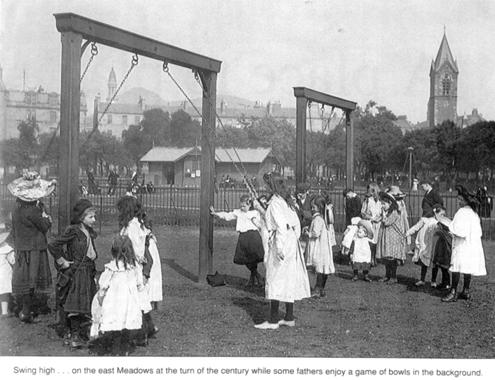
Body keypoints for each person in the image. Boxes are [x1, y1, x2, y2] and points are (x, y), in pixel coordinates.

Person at [254, 173, 310, 330]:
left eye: (266, 184)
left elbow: (279, 226)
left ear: (271, 186)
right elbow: (295, 224)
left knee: (275, 278)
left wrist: (279, 248)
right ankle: (289, 317)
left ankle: (272, 321)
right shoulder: (287, 202)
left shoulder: (276, 203)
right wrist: (293, 240)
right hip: (291, 243)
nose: (265, 187)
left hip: (282, 243)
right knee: (287, 278)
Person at [48, 199, 98, 349]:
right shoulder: (73, 231)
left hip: (88, 271)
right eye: (91, 217)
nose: (94, 220)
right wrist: (61, 259)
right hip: (77, 273)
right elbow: (53, 244)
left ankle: (82, 331)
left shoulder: (89, 232)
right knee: (76, 304)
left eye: (94, 217)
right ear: (81, 217)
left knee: (87, 302)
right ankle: (74, 334)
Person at [8, 171, 55, 323]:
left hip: (22, 247)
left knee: (25, 279)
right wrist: (48, 219)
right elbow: (44, 226)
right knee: (32, 279)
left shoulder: (16, 209)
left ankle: (24, 308)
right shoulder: (34, 211)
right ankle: (26, 311)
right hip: (34, 249)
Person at [90, 236, 145, 356]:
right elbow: (140, 284)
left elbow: (103, 285)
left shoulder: (112, 268)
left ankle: (116, 349)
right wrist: (140, 297)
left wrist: (101, 296)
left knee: (116, 325)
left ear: (113, 250)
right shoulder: (135, 267)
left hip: (114, 302)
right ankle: (124, 349)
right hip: (129, 301)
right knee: (126, 323)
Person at [117, 195, 162, 343]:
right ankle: (148, 328)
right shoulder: (136, 224)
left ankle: (141, 333)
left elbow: (137, 249)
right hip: (135, 264)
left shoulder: (132, 226)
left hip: (134, 266)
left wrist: (142, 270)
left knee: (135, 299)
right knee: (138, 299)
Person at [437, 185, 487, 302]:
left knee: (457, 266)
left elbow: (459, 231)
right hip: (472, 245)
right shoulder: (473, 213)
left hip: (462, 245)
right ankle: (465, 290)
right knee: (467, 267)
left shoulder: (462, 212)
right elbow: (478, 231)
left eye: (460, 200)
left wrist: (447, 225)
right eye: (458, 199)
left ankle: (453, 292)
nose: (458, 202)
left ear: (466, 201)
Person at [210, 194, 265, 287]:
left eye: (244, 206)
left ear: (249, 205)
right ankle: (257, 276)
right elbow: (227, 215)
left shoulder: (255, 213)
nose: (242, 207)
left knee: (253, 259)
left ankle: (253, 279)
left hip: (254, 237)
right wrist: (216, 213)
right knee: (245, 259)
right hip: (243, 237)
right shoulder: (238, 212)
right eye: (241, 205)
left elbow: (262, 223)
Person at [304, 196, 335, 298]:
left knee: (320, 267)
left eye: (314, 207)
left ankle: (318, 288)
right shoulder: (323, 218)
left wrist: (308, 233)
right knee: (324, 267)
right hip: (324, 246)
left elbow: (316, 233)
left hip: (319, 246)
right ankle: (321, 288)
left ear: (319, 207)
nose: (312, 209)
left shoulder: (317, 219)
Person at [376, 191, 407, 284]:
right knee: (387, 258)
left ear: (390, 203)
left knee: (392, 258)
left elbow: (387, 222)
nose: (382, 205)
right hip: (388, 237)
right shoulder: (388, 211)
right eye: (381, 203)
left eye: (384, 204)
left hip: (394, 238)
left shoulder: (394, 212)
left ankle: (393, 277)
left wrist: (383, 215)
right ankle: (387, 275)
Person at [406, 211, 438, 287]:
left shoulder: (438, 223)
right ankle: (422, 279)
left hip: (432, 244)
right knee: (424, 262)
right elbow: (416, 227)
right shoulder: (424, 220)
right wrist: (407, 233)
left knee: (434, 262)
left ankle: (433, 281)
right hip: (424, 243)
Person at [430, 204, 452, 290]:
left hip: (445, 252)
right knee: (438, 266)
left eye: (444, 215)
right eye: (441, 215)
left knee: (444, 268)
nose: (443, 217)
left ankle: (446, 283)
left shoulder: (445, 231)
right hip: (439, 251)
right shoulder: (437, 226)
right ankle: (441, 282)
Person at [360, 183, 382, 266]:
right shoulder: (367, 200)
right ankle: (370, 258)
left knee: (376, 242)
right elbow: (363, 212)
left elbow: (382, 212)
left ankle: (375, 257)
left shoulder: (380, 201)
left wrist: (380, 218)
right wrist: (371, 218)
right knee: (370, 241)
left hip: (378, 224)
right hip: (370, 223)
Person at [0, 222, 15, 317]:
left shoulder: (6, 248)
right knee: (4, 293)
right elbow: (12, 260)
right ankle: (4, 311)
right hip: (3, 273)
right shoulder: (7, 248)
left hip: (3, 273)